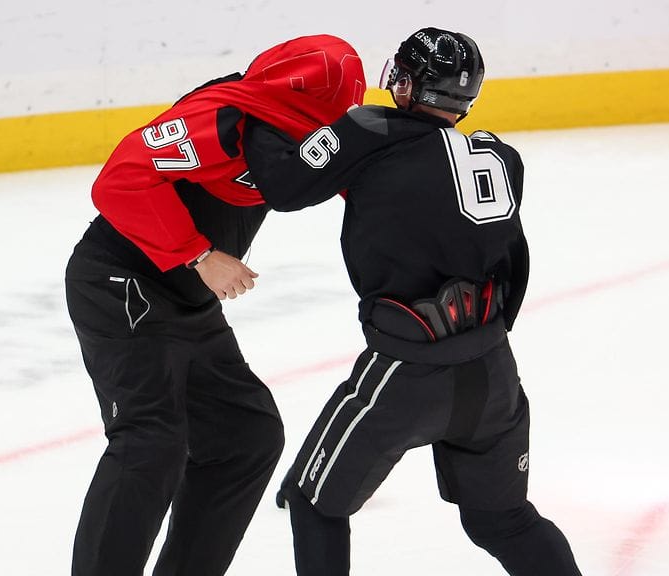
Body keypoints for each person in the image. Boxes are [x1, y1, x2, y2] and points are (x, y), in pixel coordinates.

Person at [243, 28, 583, 575]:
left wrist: (252, 109)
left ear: (406, 84)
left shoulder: (367, 129)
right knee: (503, 521)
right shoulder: (502, 158)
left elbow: (283, 185)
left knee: (313, 504)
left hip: (406, 373)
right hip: (492, 372)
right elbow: (511, 260)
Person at [64, 35, 365, 576]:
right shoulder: (223, 120)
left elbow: (358, 178)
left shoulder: (296, 127)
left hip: (184, 301)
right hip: (121, 284)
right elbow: (120, 179)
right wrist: (199, 255)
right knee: (151, 442)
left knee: (245, 436)